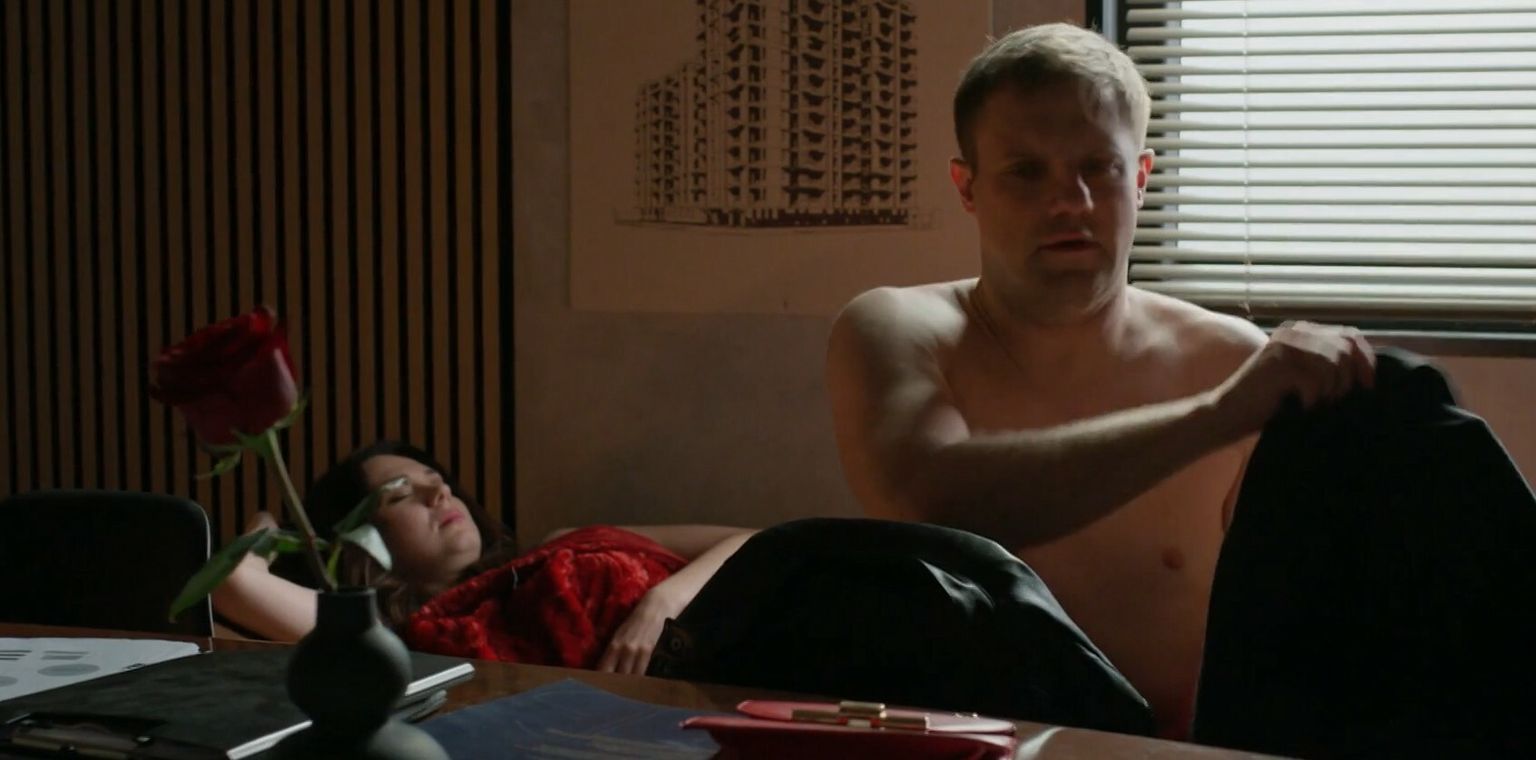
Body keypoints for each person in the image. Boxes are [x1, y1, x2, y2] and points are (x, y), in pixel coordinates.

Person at [825, 23, 1375, 738]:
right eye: (1026, 171)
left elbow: (1308, 629)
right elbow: (924, 493)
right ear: (967, 187)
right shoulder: (897, 328)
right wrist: (1216, 415)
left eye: (1099, 167)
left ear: (1140, 179)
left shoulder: (1231, 360)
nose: (1070, 201)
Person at [211, 440, 754, 675]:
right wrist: (270, 525)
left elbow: (754, 540)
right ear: (363, 545)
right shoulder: (400, 640)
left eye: (437, 480)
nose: (439, 493)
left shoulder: (559, 542)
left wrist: (665, 601)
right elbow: (233, 581)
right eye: (402, 494)